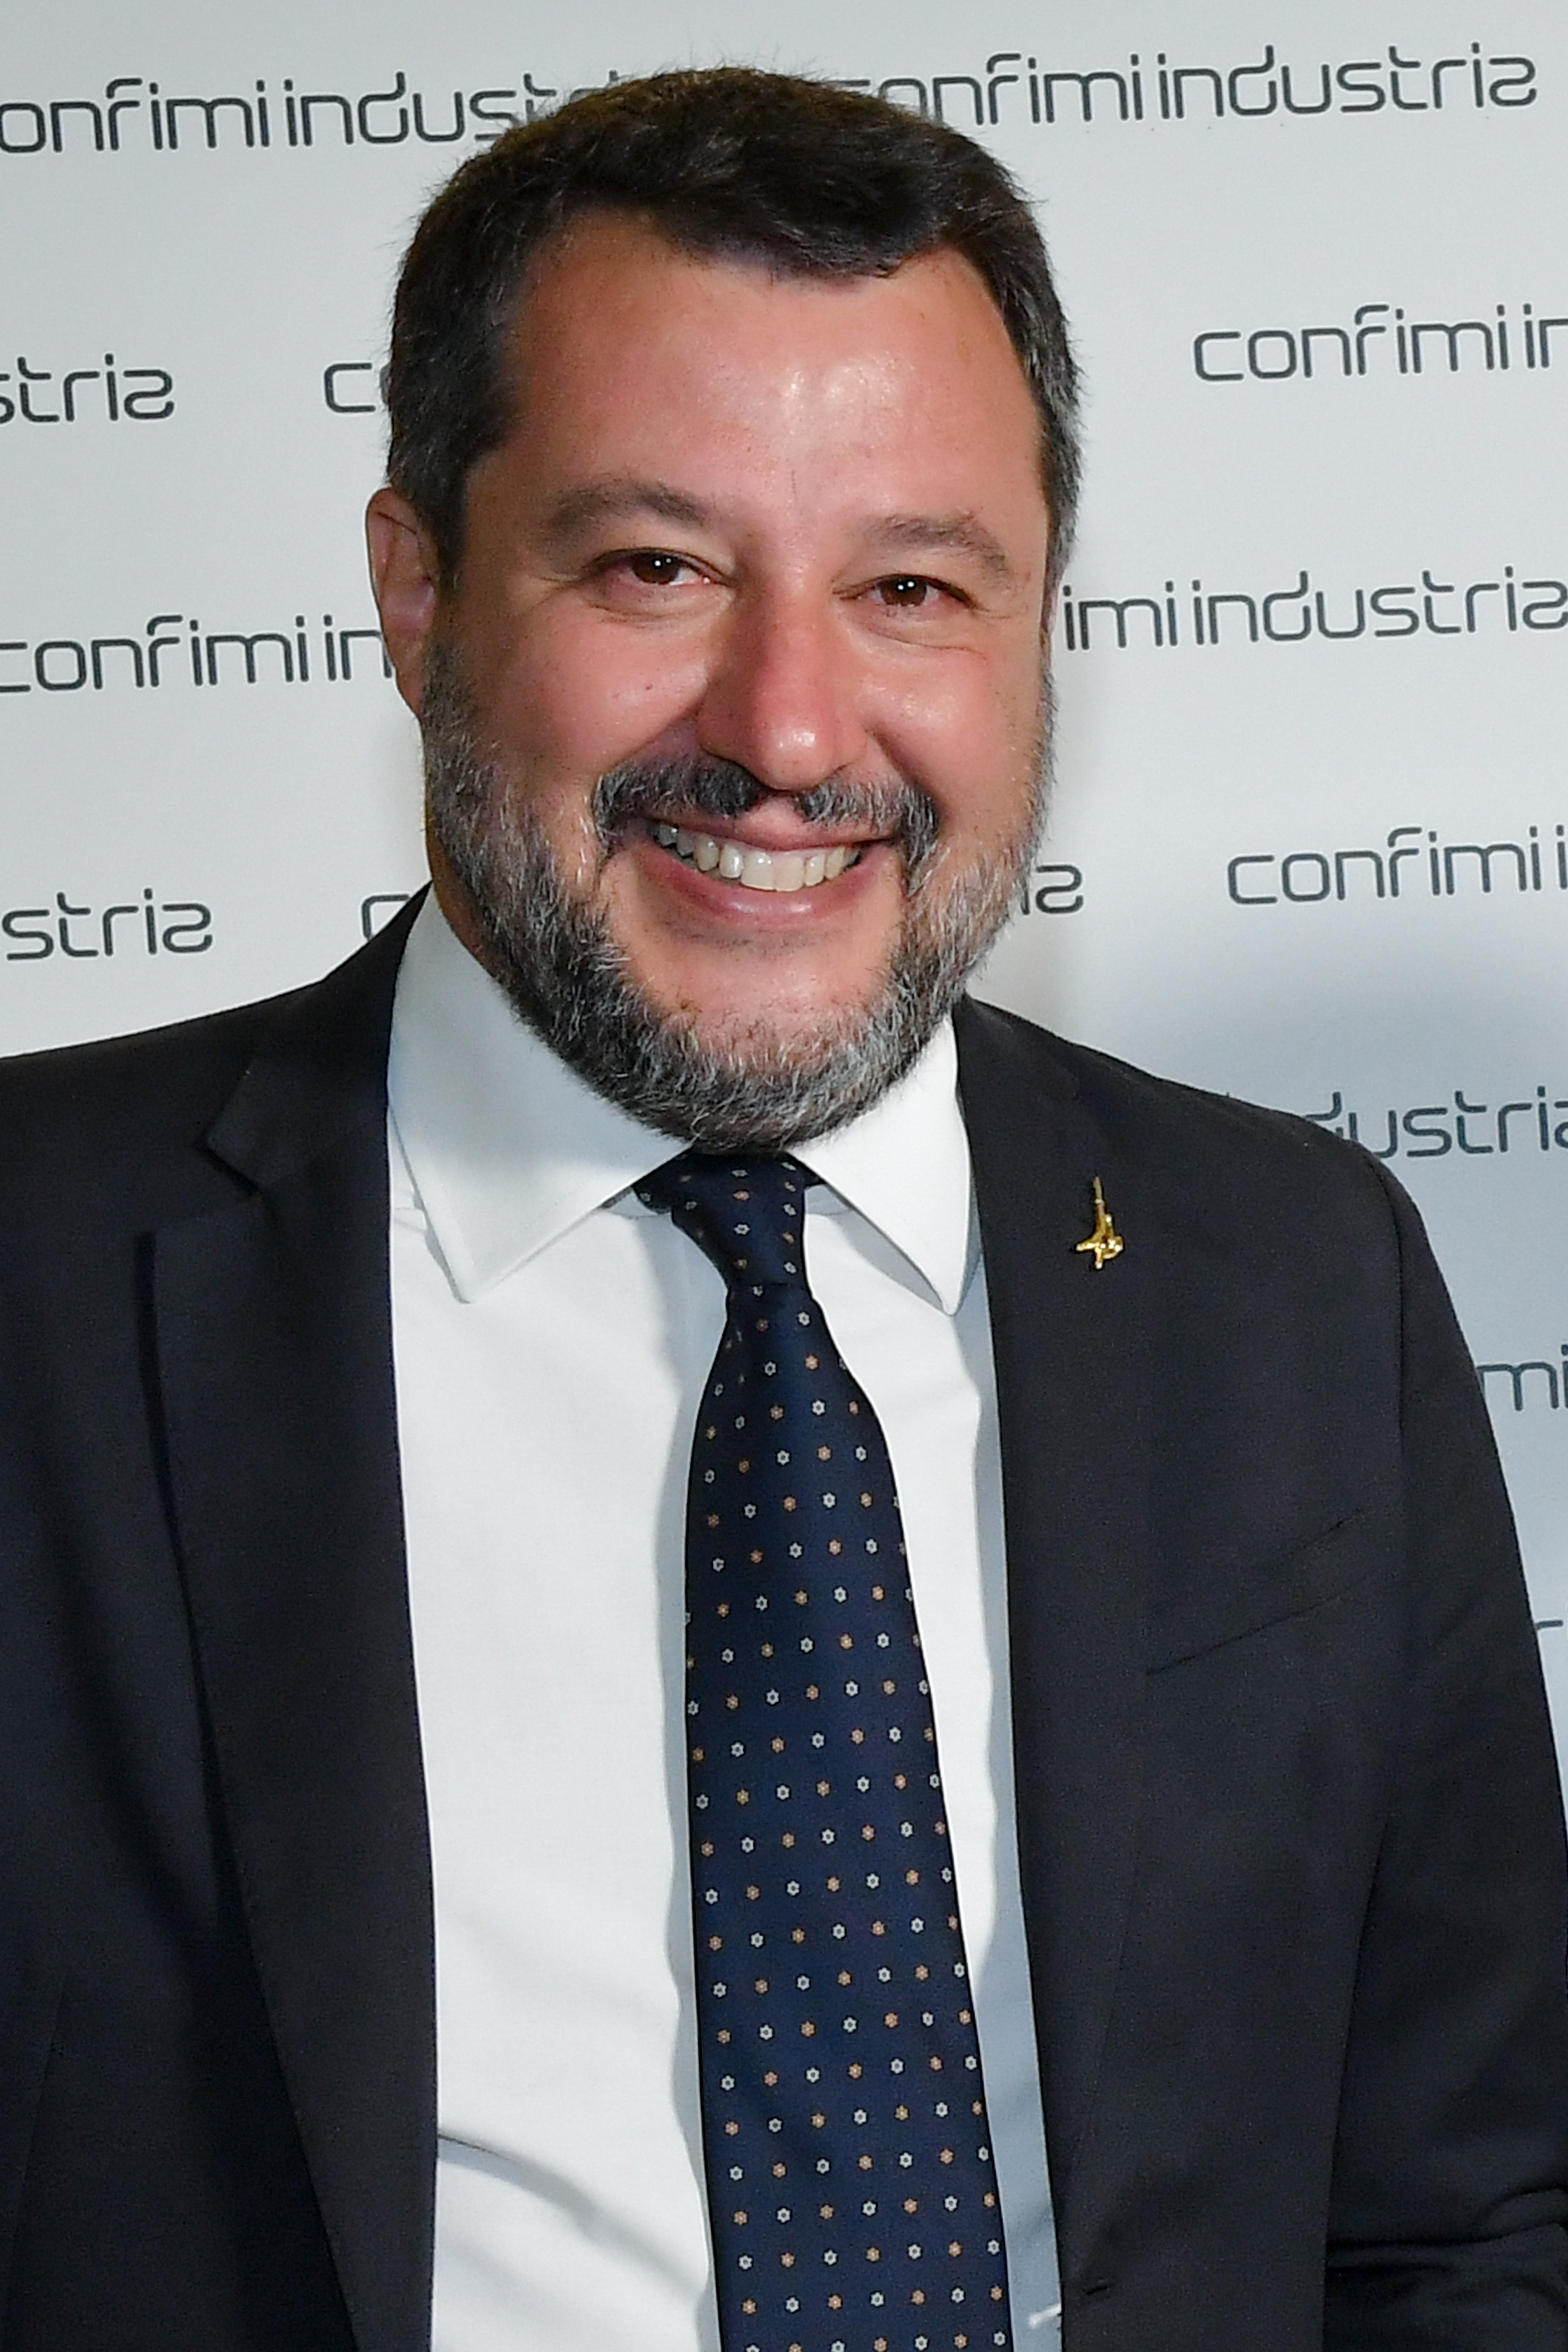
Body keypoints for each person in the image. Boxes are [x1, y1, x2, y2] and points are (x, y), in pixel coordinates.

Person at [0, 66, 1564, 2352]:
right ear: (419, 591)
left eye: (910, 587)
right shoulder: (40, 1277)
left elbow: (1465, 2210)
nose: (794, 728)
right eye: (659, 568)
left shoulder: (1294, 1275)